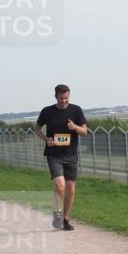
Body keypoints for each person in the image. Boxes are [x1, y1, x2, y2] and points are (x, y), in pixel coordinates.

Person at [34, 84, 88, 231]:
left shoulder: (76, 110)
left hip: (71, 155)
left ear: (69, 96)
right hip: (54, 155)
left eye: (66, 98)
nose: (63, 101)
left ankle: (65, 219)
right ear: (55, 96)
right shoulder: (47, 111)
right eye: (61, 98)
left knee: (70, 189)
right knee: (60, 185)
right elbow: (37, 129)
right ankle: (56, 212)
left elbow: (85, 131)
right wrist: (46, 139)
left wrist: (75, 127)